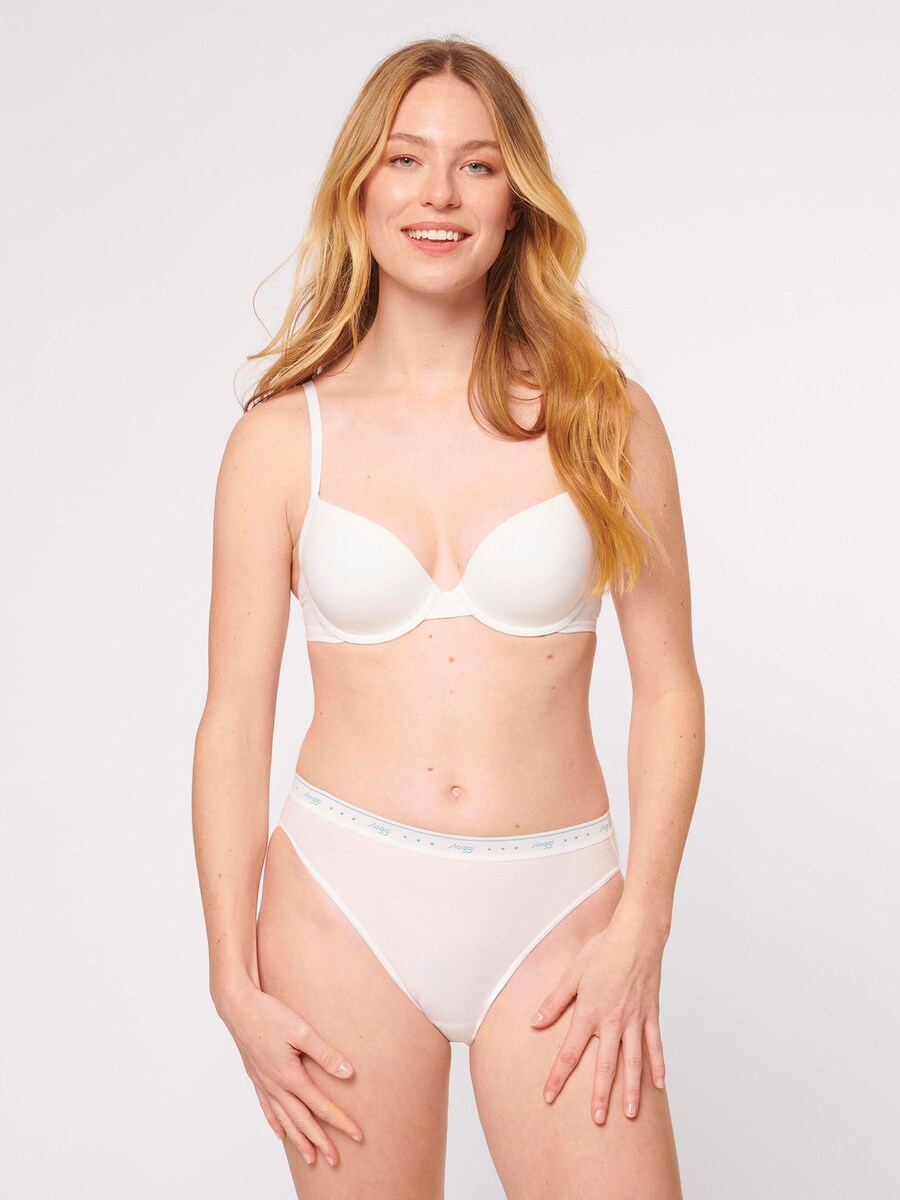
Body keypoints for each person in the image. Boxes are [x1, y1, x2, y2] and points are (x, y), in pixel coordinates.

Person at [192, 35, 704, 1199]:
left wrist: (643, 925)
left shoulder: (605, 420)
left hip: (562, 911)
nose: (438, 194)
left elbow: (670, 685)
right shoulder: (277, 442)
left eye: (477, 165)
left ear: (516, 201)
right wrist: (230, 971)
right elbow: (234, 717)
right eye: (405, 159)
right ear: (359, 188)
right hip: (341, 906)